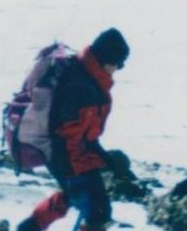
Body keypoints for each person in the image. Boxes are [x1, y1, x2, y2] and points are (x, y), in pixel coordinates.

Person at [17, 28, 130, 231]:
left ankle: (29, 228)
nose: (119, 68)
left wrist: (103, 156)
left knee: (80, 200)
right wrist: (70, 173)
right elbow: (66, 136)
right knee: (98, 213)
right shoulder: (82, 89)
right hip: (66, 157)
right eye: (118, 63)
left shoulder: (88, 78)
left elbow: (85, 134)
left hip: (74, 154)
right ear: (105, 59)